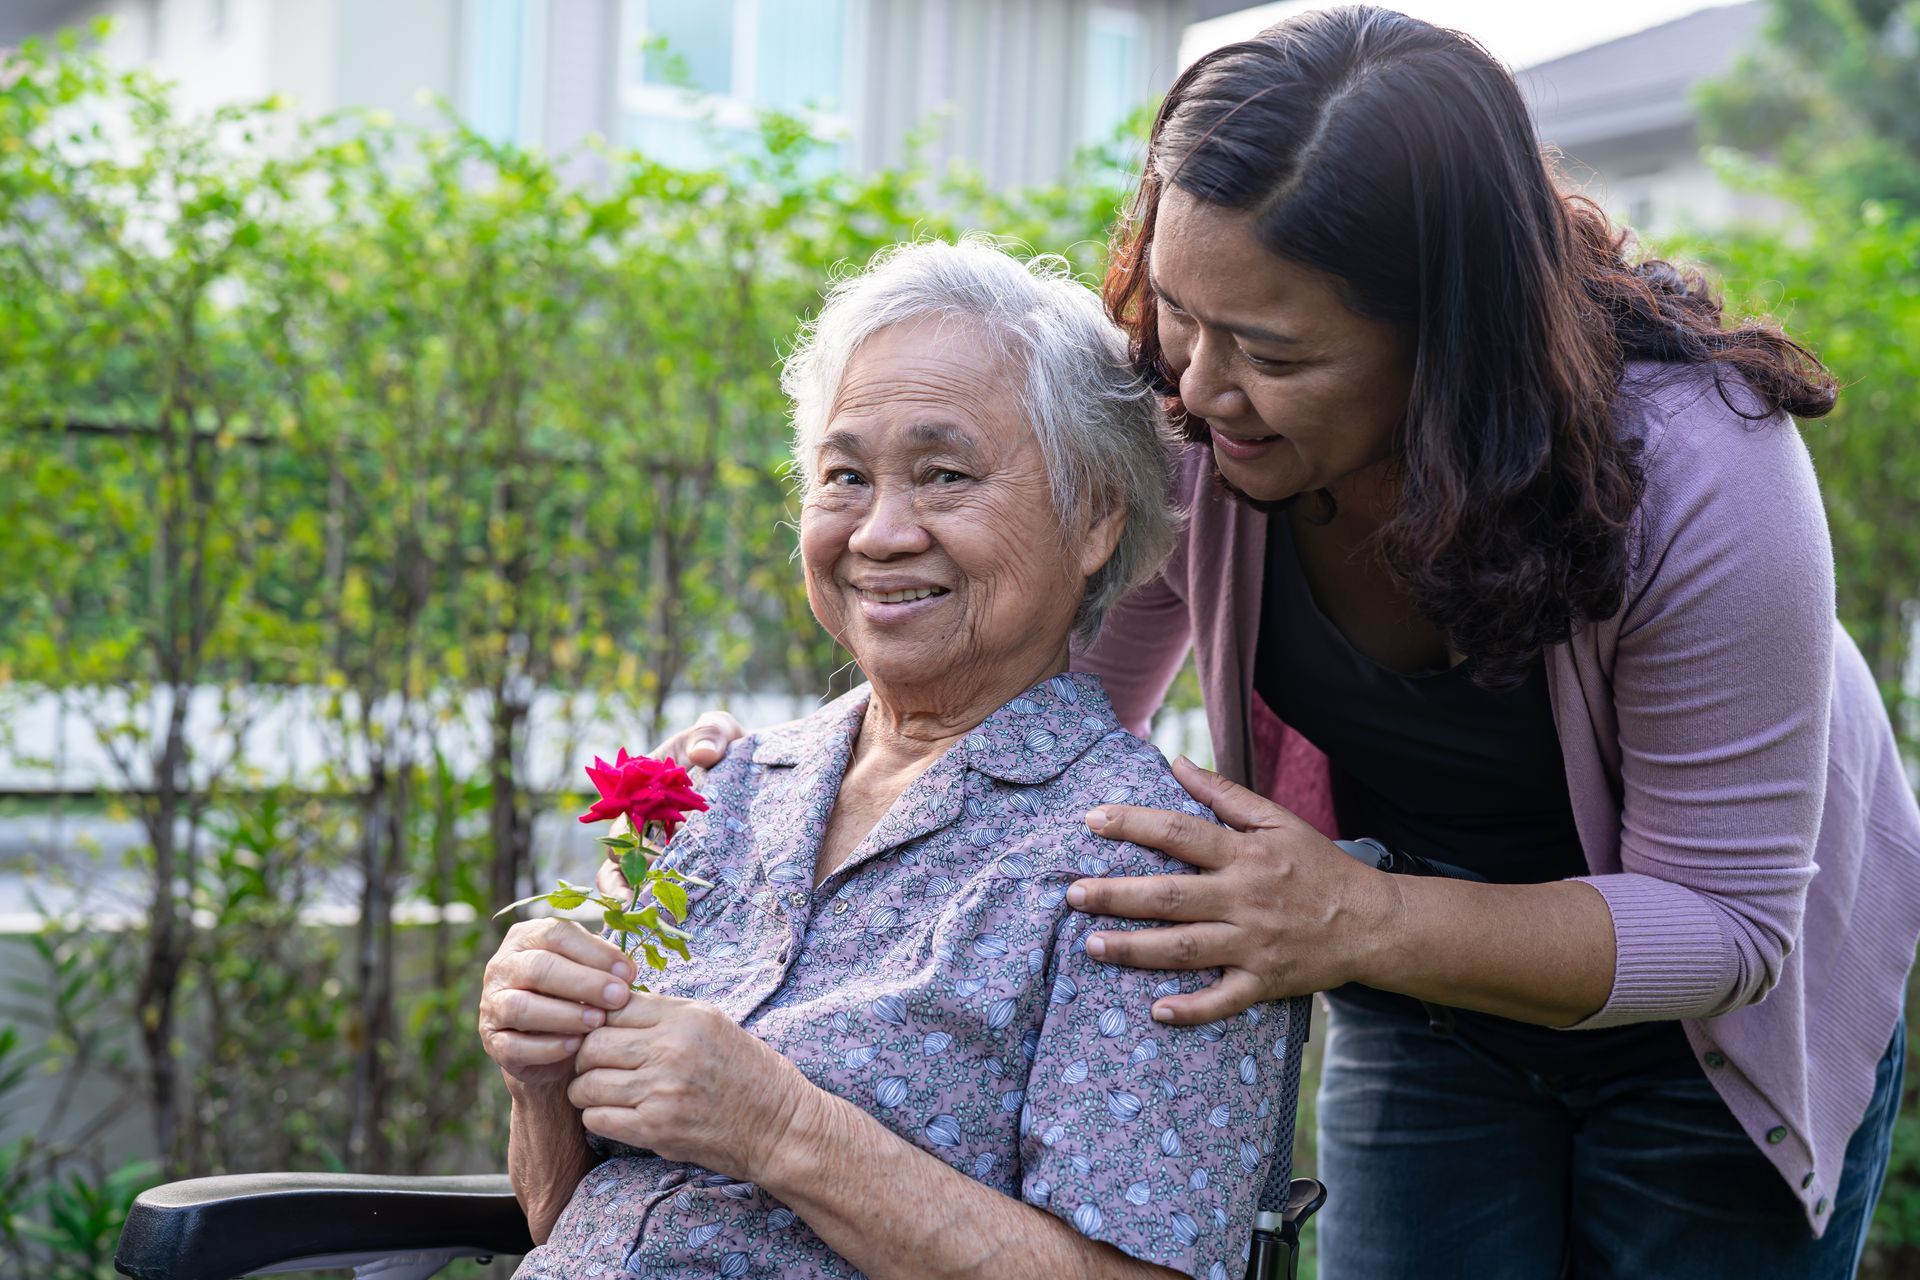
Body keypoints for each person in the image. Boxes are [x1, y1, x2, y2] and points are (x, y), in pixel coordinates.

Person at [630, 9, 1920, 1277]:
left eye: (1273, 351)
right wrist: (809, 780)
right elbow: (1024, 712)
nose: (1191, 388)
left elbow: (1730, 923)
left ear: (1444, 339)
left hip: (1706, 1044)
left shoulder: (1702, 461)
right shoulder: (1197, 421)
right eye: (1185, 312)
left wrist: (1362, 912)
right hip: (1425, 1000)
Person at [480, 239, 1292, 1280]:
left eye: (945, 474)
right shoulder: (718, 796)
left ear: (1094, 518)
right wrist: (538, 1074)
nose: (882, 530)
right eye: (845, 476)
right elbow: (565, 1220)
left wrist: (779, 1126)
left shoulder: (1152, 868)